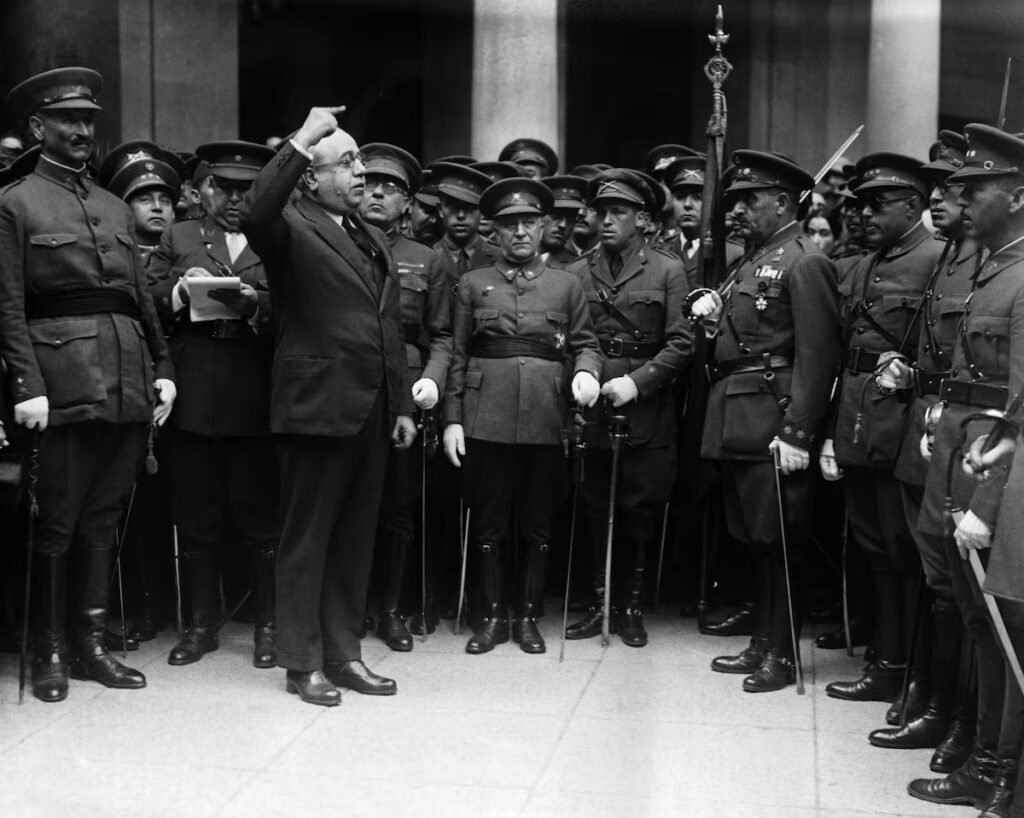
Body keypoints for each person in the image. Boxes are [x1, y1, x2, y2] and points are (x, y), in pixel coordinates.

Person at [0, 67, 176, 703]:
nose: (81, 130)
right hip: (59, 383)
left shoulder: (111, 206)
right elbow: (8, 306)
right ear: (37, 128)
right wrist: (25, 383)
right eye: (67, 120)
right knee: (58, 523)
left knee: (103, 521)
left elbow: (136, 300)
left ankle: (91, 645)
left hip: (127, 381)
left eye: (88, 120)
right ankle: (48, 648)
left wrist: (164, 371)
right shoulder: (14, 203)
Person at [240, 106, 414, 706]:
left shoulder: (368, 234)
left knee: (353, 537)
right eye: (346, 162)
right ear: (310, 178)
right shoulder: (288, 226)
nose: (362, 172)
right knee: (307, 538)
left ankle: (343, 654)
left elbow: (386, 325)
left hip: (369, 408)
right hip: (317, 405)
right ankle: (301, 662)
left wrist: (401, 407)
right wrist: (303, 137)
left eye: (360, 159)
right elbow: (254, 209)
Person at [907, 124, 1024, 813]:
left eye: (975, 189)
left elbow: (1019, 405)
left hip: (993, 473)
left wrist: (986, 498)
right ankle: (980, 750)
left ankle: (994, 764)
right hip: (956, 450)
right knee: (971, 616)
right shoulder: (986, 263)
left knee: (997, 623)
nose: (960, 199)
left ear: (1015, 195)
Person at [693, 151, 841, 691]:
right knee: (754, 538)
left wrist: (800, 431)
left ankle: (782, 653)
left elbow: (818, 355)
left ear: (782, 202)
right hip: (738, 416)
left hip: (774, 419)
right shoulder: (750, 262)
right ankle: (762, 639)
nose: (736, 211)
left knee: (780, 540)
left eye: (748, 201)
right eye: (734, 201)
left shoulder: (805, 261)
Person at [443, 176, 602, 654]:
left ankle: (528, 617)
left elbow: (585, 344)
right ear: (494, 231)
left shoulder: (567, 285)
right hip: (484, 413)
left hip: (544, 414)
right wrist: (452, 419)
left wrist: (589, 373)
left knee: (536, 523)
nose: (519, 232)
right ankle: (490, 617)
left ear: (543, 225)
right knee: (490, 521)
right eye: (509, 224)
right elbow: (457, 353)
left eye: (529, 222)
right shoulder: (473, 284)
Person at [869, 131, 982, 765]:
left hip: (963, 434)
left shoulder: (987, 261)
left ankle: (953, 716)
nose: (938, 199)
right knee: (932, 575)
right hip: (927, 425)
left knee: (954, 586)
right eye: (936, 189)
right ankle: (931, 698)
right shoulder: (950, 259)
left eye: (952, 189)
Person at [147, 140, 280, 669]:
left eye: (245, 190)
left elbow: (299, 304)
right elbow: (146, 301)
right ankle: (200, 624)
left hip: (255, 388)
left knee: (260, 516)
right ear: (201, 189)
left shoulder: (276, 237)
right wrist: (180, 293)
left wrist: (256, 306)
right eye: (222, 187)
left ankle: (268, 626)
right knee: (196, 513)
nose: (232, 199)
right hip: (195, 386)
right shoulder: (178, 236)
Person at [821, 152, 943, 703]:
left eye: (878, 204)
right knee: (872, 543)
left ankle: (905, 667)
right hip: (859, 417)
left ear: (914, 206)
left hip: (903, 423)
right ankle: (885, 657)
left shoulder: (938, 261)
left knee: (902, 549)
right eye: (860, 205)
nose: (864, 215)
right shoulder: (866, 262)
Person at [565, 169, 692, 647]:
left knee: (641, 508)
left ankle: (632, 605)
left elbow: (682, 343)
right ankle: (601, 602)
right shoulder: (579, 271)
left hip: (647, 408)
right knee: (597, 504)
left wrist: (637, 384)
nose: (607, 221)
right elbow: (577, 338)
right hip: (595, 404)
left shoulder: (667, 270)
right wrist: (587, 379)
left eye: (618, 212)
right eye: (602, 212)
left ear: (642, 219)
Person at [359, 142, 451, 651]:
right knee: (352, 503)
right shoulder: (339, 243)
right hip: (351, 389)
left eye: (390, 188)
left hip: (405, 395)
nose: (377, 192)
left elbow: (441, 334)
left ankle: (390, 609)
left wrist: (432, 383)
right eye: (370, 182)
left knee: (397, 507)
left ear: (409, 202)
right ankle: (351, 607)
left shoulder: (426, 260)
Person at [99, 140, 182, 264]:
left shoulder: (187, 257)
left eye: (165, 201)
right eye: (145, 200)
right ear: (124, 209)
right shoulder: (111, 259)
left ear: (173, 212)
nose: (157, 207)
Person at [539, 175, 588, 269]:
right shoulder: (514, 256)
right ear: (540, 216)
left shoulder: (578, 267)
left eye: (571, 218)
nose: (563, 225)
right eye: (556, 216)